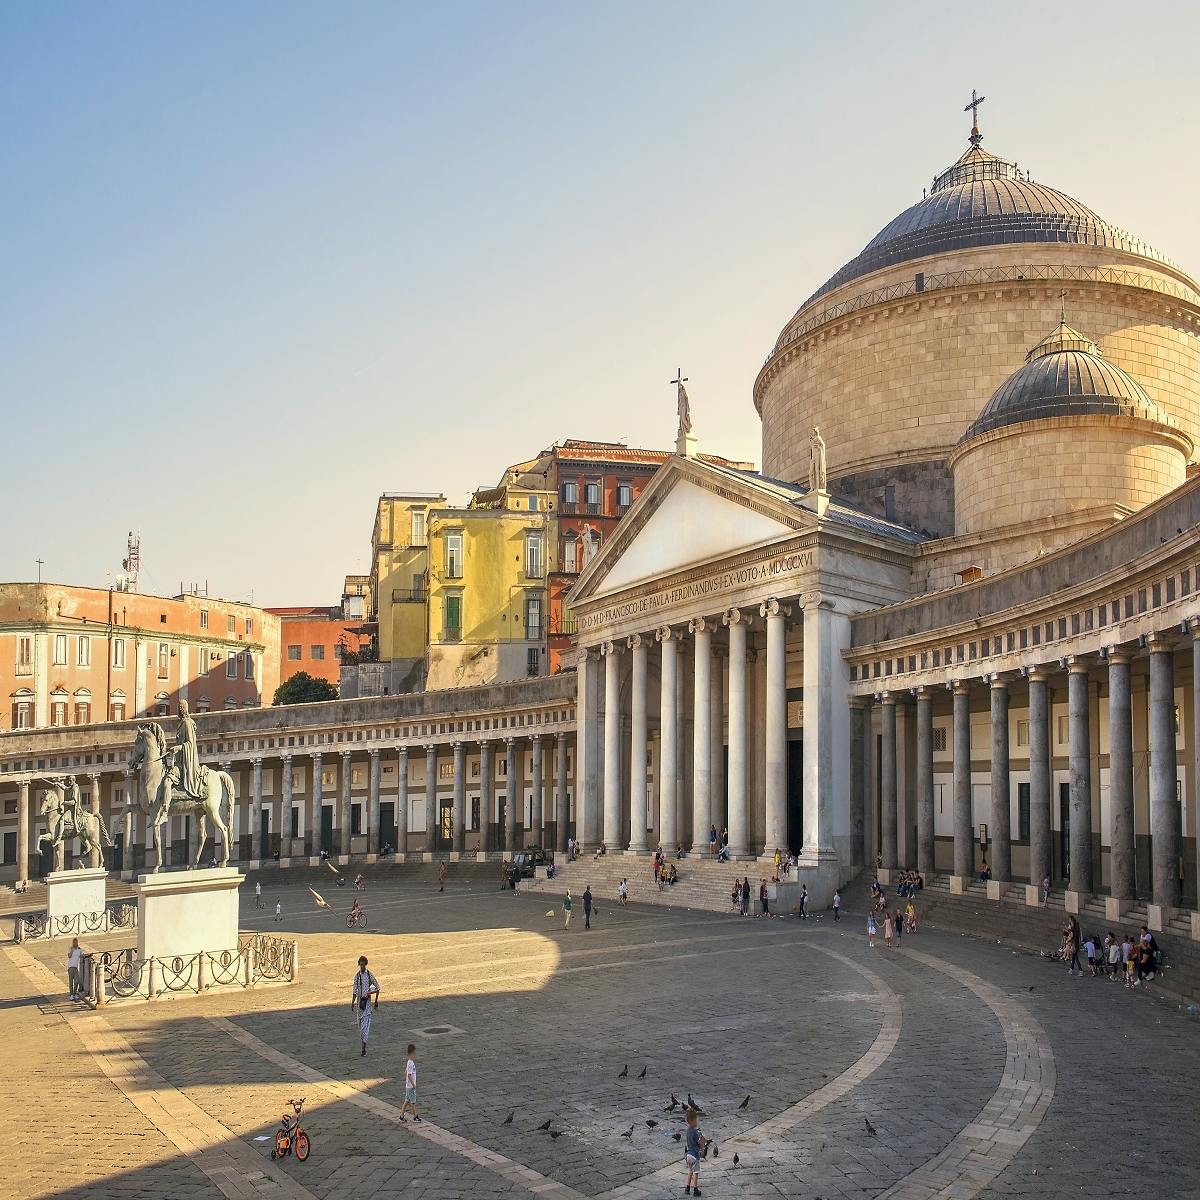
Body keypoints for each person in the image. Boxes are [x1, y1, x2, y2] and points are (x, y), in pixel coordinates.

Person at [351, 955, 380, 1057]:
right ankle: (363, 1043)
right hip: (360, 1004)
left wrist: (375, 1000)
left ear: (365, 964)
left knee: (365, 1026)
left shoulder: (369, 975)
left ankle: (364, 1046)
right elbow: (354, 990)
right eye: (361, 965)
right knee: (360, 1026)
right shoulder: (357, 976)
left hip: (367, 1004)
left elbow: (377, 987)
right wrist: (352, 1003)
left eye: (363, 965)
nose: (362, 967)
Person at [684, 1107, 708, 1197]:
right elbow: (700, 1143)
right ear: (692, 1121)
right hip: (695, 1156)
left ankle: (687, 1187)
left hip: (688, 1156)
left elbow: (689, 1142)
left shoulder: (688, 1131)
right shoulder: (695, 1132)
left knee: (690, 1171)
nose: (697, 1121)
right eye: (696, 1119)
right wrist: (703, 1141)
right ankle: (695, 1189)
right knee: (696, 1173)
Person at [399, 1043, 420, 1122]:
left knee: (406, 1101)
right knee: (413, 1102)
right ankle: (415, 1116)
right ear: (412, 1053)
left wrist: (407, 1082)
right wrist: (413, 1084)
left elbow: (405, 1072)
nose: (415, 1055)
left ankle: (401, 1116)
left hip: (408, 1086)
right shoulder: (411, 1063)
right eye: (415, 1053)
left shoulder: (409, 1062)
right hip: (411, 1087)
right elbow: (409, 1075)